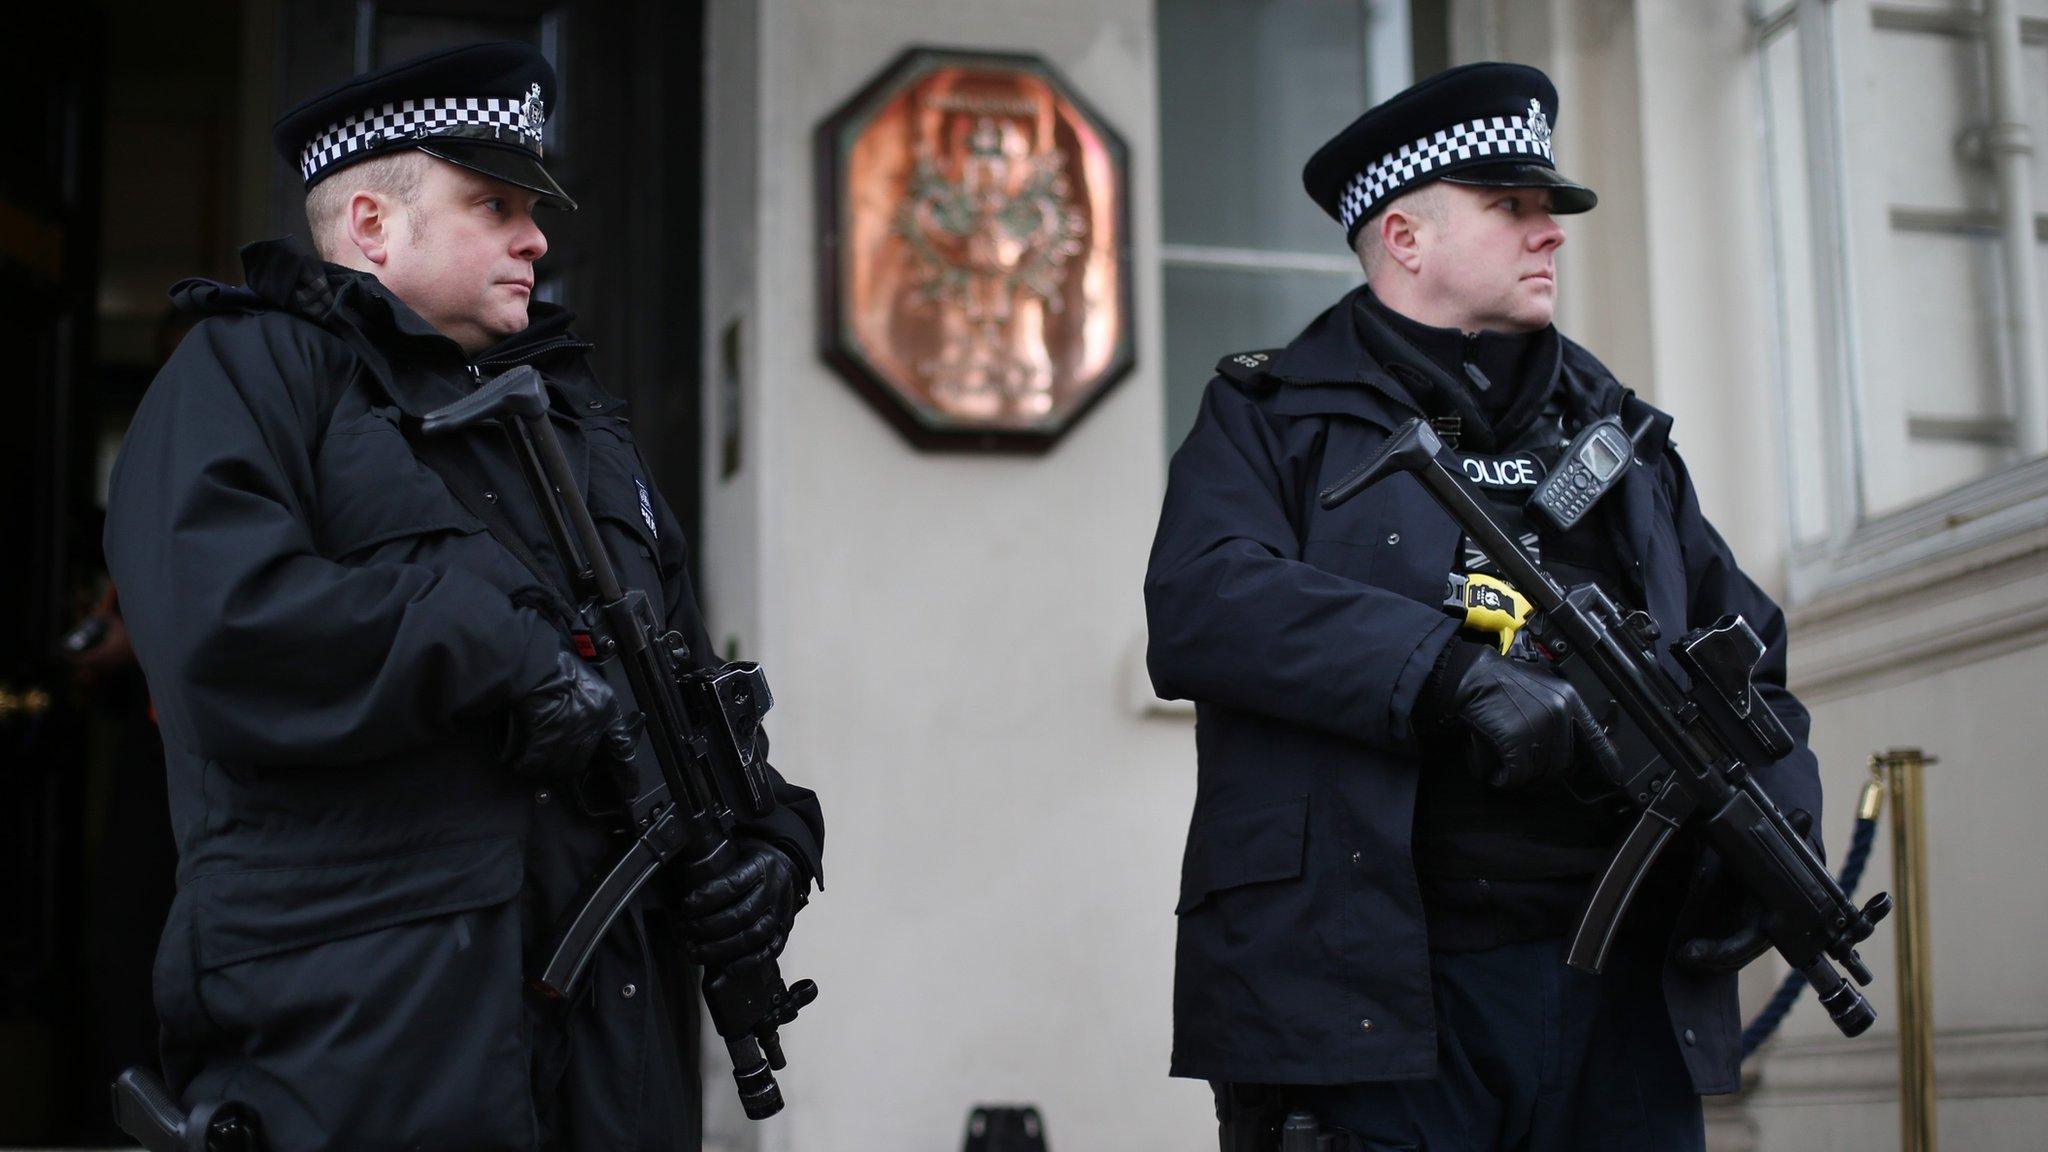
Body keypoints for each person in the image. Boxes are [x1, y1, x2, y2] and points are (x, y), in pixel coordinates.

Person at [103, 42, 823, 1151]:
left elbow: (684, 683)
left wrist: (773, 845)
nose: (534, 237)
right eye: (492, 204)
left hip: (611, 1052)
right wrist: (500, 655)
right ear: (372, 228)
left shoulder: (580, 432)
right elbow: (222, 630)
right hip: (375, 1043)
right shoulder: (250, 377)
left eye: (530, 209)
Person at [1144, 62, 1821, 1151]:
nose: (1548, 231)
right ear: (1404, 236)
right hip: (1376, 994)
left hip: (1618, 998)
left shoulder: (1623, 439)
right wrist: (1446, 673)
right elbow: (1203, 602)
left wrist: (1772, 836)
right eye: (1509, 206)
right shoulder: (1268, 416)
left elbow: (1749, 663)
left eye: (1546, 208)